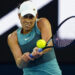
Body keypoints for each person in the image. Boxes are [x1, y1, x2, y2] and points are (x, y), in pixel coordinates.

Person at [7, 0, 62, 75]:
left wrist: (41, 51)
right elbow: (19, 64)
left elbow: (48, 44)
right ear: (19, 16)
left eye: (31, 17)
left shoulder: (42, 23)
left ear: (36, 16)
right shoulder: (12, 37)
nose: (28, 21)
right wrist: (23, 59)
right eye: (25, 16)